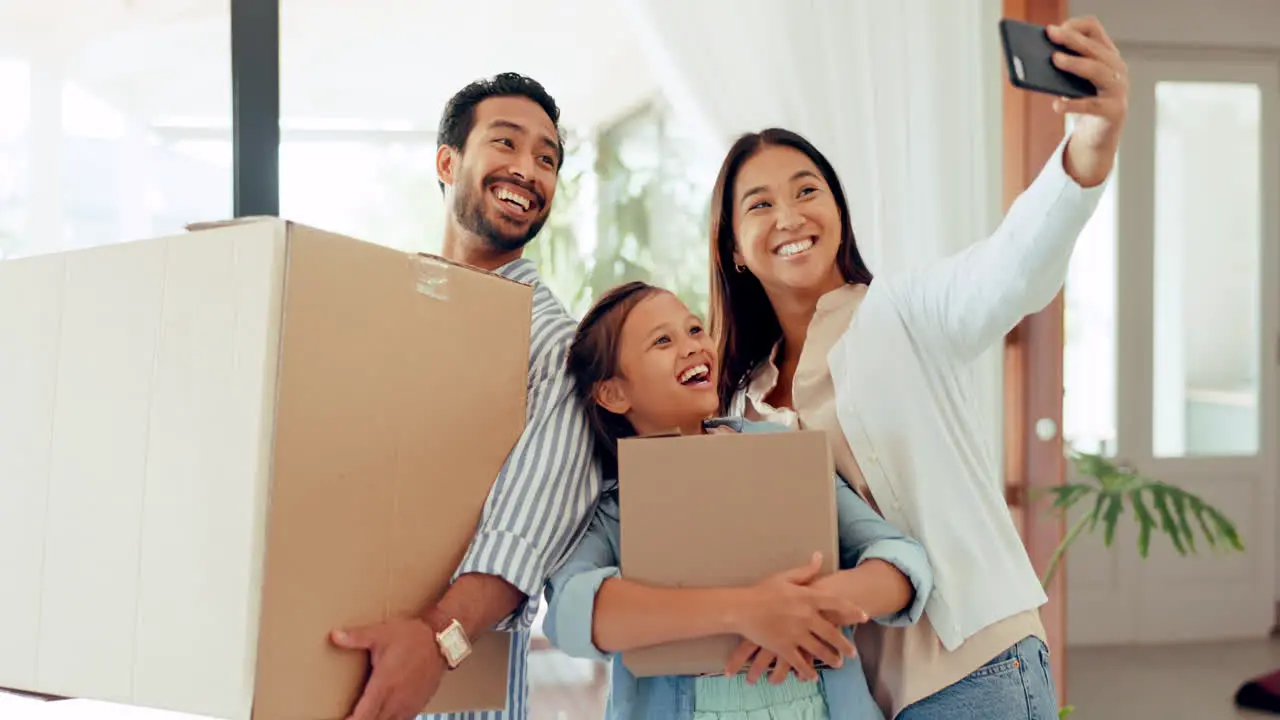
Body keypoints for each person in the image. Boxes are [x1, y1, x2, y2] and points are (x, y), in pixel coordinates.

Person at [706, 16, 1127, 720]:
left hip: (976, 669)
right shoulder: (741, 400)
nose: (790, 215)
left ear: (837, 209)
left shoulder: (905, 311)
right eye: (761, 204)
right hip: (848, 695)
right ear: (736, 249)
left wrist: (1090, 142)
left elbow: (1015, 266)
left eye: (808, 190)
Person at [328, 73, 601, 720]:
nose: (527, 169)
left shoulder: (557, 348)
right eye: (505, 143)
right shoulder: (373, 315)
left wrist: (436, 640)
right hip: (324, 655)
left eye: (547, 158)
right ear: (448, 162)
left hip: (453, 693)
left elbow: (526, 529)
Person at [542, 281, 935, 719]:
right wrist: (745, 610)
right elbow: (572, 613)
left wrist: (803, 607)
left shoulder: (781, 450)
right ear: (613, 393)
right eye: (663, 341)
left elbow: (901, 562)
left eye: (694, 329)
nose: (692, 346)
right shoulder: (614, 505)